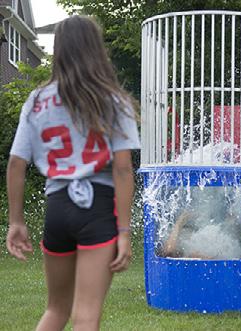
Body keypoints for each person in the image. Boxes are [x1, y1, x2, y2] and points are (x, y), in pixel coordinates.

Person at [6, 16, 140, 331]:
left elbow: (16, 164)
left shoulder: (36, 100)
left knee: (55, 309)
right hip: (97, 208)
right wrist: (123, 232)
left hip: (57, 206)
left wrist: (15, 221)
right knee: (86, 315)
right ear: (96, 49)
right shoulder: (112, 99)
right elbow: (122, 169)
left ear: (60, 49)